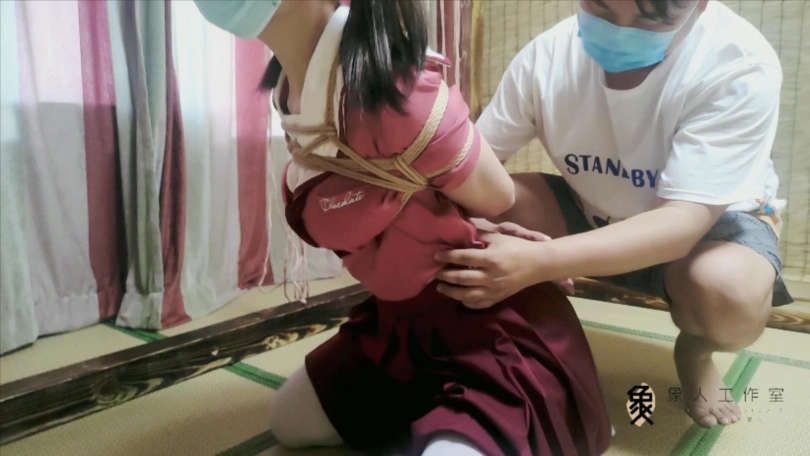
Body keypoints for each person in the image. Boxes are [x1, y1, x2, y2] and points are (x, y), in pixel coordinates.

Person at [193, 1, 612, 455]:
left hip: (484, 316)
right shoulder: (294, 98)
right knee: (289, 421)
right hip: (399, 320)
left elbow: (498, 196)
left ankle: (514, 402)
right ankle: (438, 411)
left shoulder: (401, 92)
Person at [434, 0, 794, 429]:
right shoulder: (547, 56)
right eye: (602, 9)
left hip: (705, 234)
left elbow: (681, 224)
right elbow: (473, 167)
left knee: (728, 290)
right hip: (587, 211)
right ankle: (505, 340)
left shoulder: (737, 64)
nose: (622, 30)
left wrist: (542, 261)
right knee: (463, 209)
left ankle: (696, 351)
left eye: (652, 17)